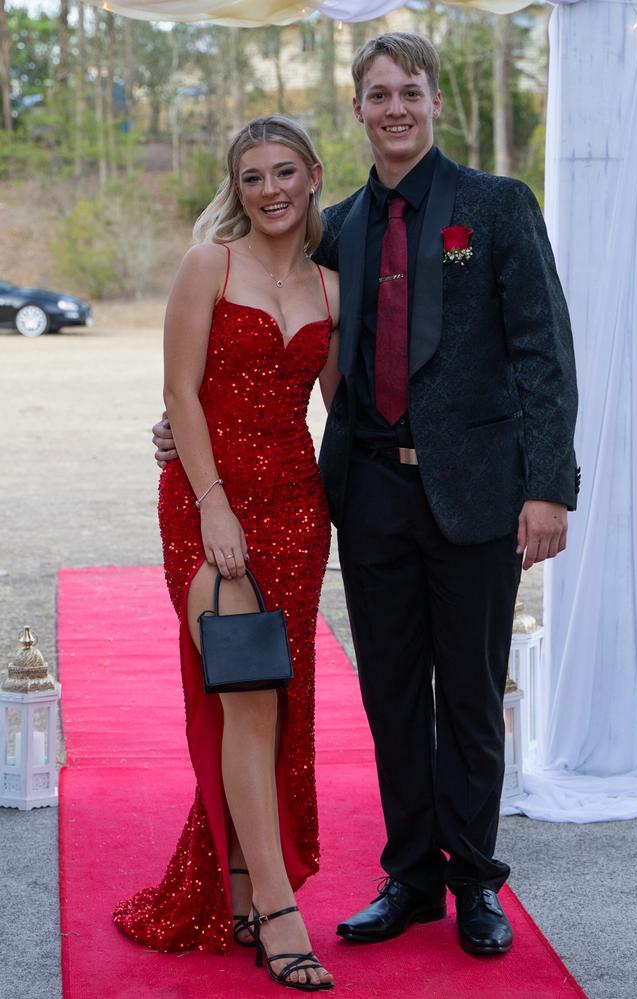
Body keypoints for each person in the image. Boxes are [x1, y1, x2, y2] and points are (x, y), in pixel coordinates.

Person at [154, 32, 579, 958]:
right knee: (390, 693)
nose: (395, 108)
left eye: (410, 92)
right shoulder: (333, 225)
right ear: (356, 109)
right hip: (368, 496)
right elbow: (273, 359)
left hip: (476, 495)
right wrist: (184, 440)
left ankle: (474, 880)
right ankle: (412, 876)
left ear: (433, 102)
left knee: (467, 693)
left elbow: (543, 350)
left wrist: (549, 487)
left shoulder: (496, 206)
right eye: (377, 93)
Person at [117, 115, 340, 993]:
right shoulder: (208, 263)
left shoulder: (331, 287)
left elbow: (348, 410)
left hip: (296, 509)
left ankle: (243, 880)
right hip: (210, 507)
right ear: (236, 187)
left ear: (314, 176)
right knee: (245, 694)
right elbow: (180, 388)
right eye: (253, 177)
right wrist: (210, 502)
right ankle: (281, 914)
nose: (271, 189)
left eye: (285, 172)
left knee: (275, 705)